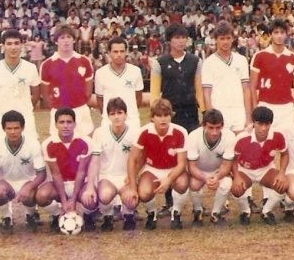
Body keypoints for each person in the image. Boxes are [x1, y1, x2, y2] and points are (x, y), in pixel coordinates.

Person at [149, 23, 203, 215]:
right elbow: (155, 92)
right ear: (169, 40)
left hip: (190, 114)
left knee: (192, 156)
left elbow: (198, 88)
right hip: (168, 116)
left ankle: (197, 204)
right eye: (177, 37)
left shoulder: (195, 61)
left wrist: (204, 112)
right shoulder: (159, 63)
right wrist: (155, 115)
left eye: (184, 37)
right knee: (170, 157)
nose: (181, 41)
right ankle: (169, 202)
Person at [124, 99, 189, 230]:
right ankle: (151, 213)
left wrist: (169, 180)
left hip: (173, 168)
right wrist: (132, 185)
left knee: (182, 184)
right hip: (152, 169)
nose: (163, 119)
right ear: (152, 117)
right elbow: (132, 159)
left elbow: (182, 163)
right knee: (144, 192)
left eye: (166, 115)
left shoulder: (180, 131)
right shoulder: (143, 132)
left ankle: (176, 212)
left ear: (171, 115)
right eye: (159, 116)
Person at [81, 97, 141, 231]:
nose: (117, 117)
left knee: (131, 199)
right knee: (105, 195)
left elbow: (139, 159)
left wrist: (133, 179)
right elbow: (95, 161)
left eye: (120, 113)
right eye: (113, 114)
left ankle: (128, 215)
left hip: (126, 176)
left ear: (126, 114)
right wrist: (91, 185)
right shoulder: (100, 132)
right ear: (108, 116)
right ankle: (107, 216)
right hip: (107, 176)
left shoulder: (135, 132)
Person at [0, 110, 47, 233]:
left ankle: (30, 215)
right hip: (6, 182)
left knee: (29, 194)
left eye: (16, 128)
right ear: (3, 128)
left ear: (23, 128)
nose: (13, 132)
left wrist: (30, 186)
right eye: (9, 128)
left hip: (27, 181)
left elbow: (41, 174)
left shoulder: (33, 144)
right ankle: (6, 217)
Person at [35, 108, 92, 232]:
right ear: (55, 124)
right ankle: (58, 214)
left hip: (80, 183)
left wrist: (73, 199)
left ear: (74, 124)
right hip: (60, 184)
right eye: (61, 122)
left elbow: (81, 172)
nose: (65, 126)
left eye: (69, 122)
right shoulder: (48, 144)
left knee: (91, 199)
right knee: (41, 196)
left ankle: (88, 216)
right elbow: (56, 174)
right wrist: (64, 201)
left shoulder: (85, 142)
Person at [231, 106, 289, 226]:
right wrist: (236, 176)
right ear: (253, 123)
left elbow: (285, 154)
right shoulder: (242, 138)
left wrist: (282, 173)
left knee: (283, 185)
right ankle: (245, 212)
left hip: (265, 169)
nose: (263, 128)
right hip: (245, 169)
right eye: (259, 124)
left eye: (267, 124)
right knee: (237, 189)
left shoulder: (278, 136)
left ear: (271, 124)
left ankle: (266, 211)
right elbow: (233, 159)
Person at [186, 109, 239, 225]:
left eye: (218, 128)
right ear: (203, 125)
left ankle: (216, 213)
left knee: (226, 183)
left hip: (217, 171)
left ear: (222, 126)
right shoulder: (193, 136)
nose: (214, 132)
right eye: (210, 128)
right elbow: (192, 167)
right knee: (194, 184)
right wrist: (205, 178)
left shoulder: (229, 136)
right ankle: (197, 211)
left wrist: (217, 176)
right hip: (199, 171)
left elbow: (226, 165)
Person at [39, 25, 94, 137]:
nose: (66, 41)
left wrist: (80, 103)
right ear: (56, 41)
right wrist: (56, 107)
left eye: (69, 37)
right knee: (59, 148)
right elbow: (45, 94)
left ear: (74, 40)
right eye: (62, 38)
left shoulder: (84, 61)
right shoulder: (47, 64)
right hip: (58, 112)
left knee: (85, 146)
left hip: (80, 110)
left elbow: (88, 91)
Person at [249, 18, 294, 131]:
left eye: (282, 32)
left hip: (287, 109)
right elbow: (252, 87)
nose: (279, 36)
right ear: (270, 34)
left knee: (287, 143)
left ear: (286, 34)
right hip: (265, 105)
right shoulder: (259, 56)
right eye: (276, 32)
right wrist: (255, 110)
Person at [0, 29, 40, 141]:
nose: (13, 47)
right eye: (9, 44)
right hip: (2, 117)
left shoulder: (31, 68)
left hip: (26, 117)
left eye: (16, 43)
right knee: (2, 152)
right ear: (3, 46)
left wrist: (25, 108)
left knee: (30, 151)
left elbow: (35, 95)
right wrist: (4, 109)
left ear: (22, 45)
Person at [201, 21, 252, 134]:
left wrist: (248, 118)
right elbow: (206, 93)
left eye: (228, 38)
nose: (225, 42)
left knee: (240, 148)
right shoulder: (209, 63)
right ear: (216, 40)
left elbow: (246, 90)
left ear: (233, 39)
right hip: (219, 111)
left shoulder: (241, 60)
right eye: (222, 38)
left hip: (239, 111)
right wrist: (211, 118)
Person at [94, 37, 144, 129]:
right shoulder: (100, 73)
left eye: (122, 51)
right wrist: (109, 115)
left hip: (131, 121)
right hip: (109, 122)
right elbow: (100, 100)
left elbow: (138, 98)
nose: (119, 54)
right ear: (109, 53)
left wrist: (130, 113)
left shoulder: (136, 71)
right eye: (115, 52)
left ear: (126, 52)